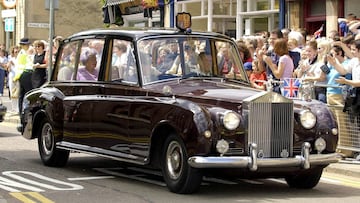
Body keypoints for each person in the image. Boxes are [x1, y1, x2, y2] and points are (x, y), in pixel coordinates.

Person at [15, 38, 34, 114]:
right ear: (24, 45)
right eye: (27, 44)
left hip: (22, 75)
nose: (29, 46)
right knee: (29, 94)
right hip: (25, 74)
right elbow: (27, 65)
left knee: (22, 96)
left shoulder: (22, 53)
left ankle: (22, 114)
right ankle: (27, 112)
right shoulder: (24, 54)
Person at [6, 46, 20, 112]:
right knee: (12, 92)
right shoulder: (11, 58)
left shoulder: (19, 59)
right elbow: (8, 69)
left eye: (17, 52)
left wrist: (13, 64)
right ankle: (13, 107)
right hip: (11, 76)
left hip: (18, 76)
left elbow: (19, 67)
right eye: (15, 52)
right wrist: (8, 66)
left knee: (17, 92)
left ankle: (17, 107)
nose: (16, 53)